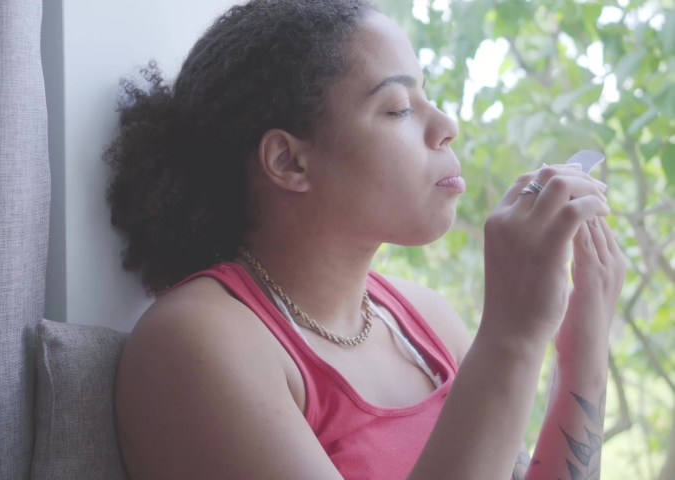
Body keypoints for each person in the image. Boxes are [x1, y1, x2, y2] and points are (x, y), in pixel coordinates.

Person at [105, 1, 626, 478]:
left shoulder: (428, 324)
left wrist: (584, 347)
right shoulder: (197, 340)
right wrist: (512, 333)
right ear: (289, 161)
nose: (447, 125)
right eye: (398, 107)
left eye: (427, 96)